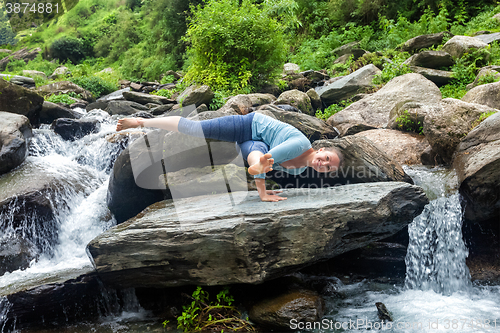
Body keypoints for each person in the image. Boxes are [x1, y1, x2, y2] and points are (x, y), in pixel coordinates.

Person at [116, 112, 342, 202]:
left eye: (328, 168)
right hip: (246, 126)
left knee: (258, 159)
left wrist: (262, 191)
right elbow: (267, 161)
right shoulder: (300, 144)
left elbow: (264, 162)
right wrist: (259, 172)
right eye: (326, 158)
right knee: (194, 129)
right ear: (321, 150)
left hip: (257, 145)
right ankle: (141, 122)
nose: (323, 164)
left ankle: (254, 168)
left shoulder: (299, 170)